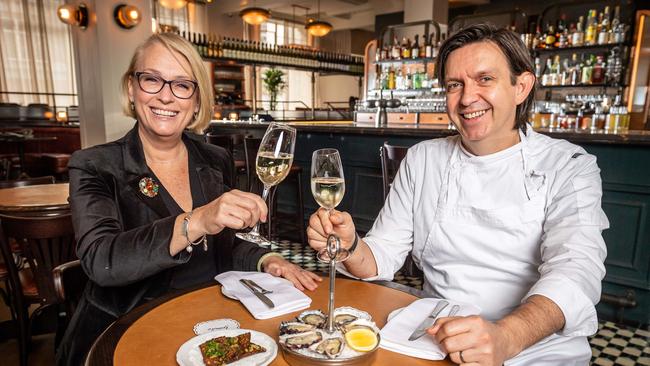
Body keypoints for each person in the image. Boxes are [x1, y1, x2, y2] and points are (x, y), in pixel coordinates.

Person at [307, 24, 607, 366]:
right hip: (436, 339)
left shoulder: (569, 165)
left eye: (485, 79)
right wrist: (349, 247)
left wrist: (506, 337)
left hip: (537, 349)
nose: (467, 98)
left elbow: (575, 270)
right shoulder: (422, 159)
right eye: (455, 85)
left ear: (521, 87)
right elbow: (383, 253)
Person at [56, 32, 321, 365]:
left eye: (182, 85)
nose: (167, 97)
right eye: (152, 80)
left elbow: (222, 244)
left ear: (196, 99)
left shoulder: (214, 158)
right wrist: (195, 221)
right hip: (126, 330)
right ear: (131, 88)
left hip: (212, 323)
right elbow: (102, 261)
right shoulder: (95, 164)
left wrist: (265, 260)